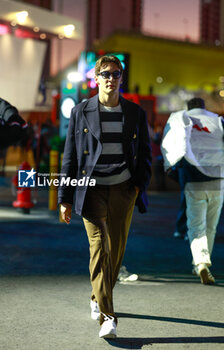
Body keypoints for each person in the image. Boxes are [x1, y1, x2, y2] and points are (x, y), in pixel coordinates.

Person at [58, 55, 151, 338]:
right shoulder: (81, 111)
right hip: (92, 191)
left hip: (124, 190)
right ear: (96, 78)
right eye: (106, 73)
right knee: (100, 248)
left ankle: (96, 296)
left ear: (121, 78)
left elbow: (146, 152)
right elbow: (70, 156)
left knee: (116, 253)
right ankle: (108, 317)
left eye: (116, 73)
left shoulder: (135, 112)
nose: (111, 78)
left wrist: (138, 185)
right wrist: (65, 197)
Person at [161, 97, 224, 285]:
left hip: (194, 181)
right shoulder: (218, 121)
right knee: (211, 227)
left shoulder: (182, 118)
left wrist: (170, 167)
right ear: (204, 107)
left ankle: (202, 262)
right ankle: (200, 265)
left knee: (197, 226)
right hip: (219, 181)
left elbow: (172, 143)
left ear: (189, 107)